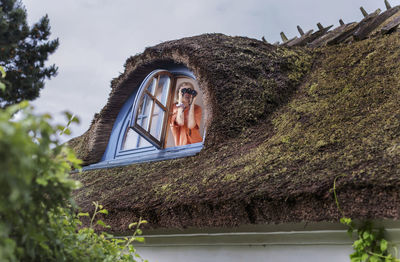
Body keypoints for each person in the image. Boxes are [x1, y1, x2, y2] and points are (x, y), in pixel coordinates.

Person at [170, 82, 202, 146]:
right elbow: (180, 122)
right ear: (178, 93)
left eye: (189, 91)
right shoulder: (172, 108)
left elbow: (191, 125)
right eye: (184, 91)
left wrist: (192, 103)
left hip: (197, 144)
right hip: (181, 146)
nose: (186, 93)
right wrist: (180, 100)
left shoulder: (197, 108)